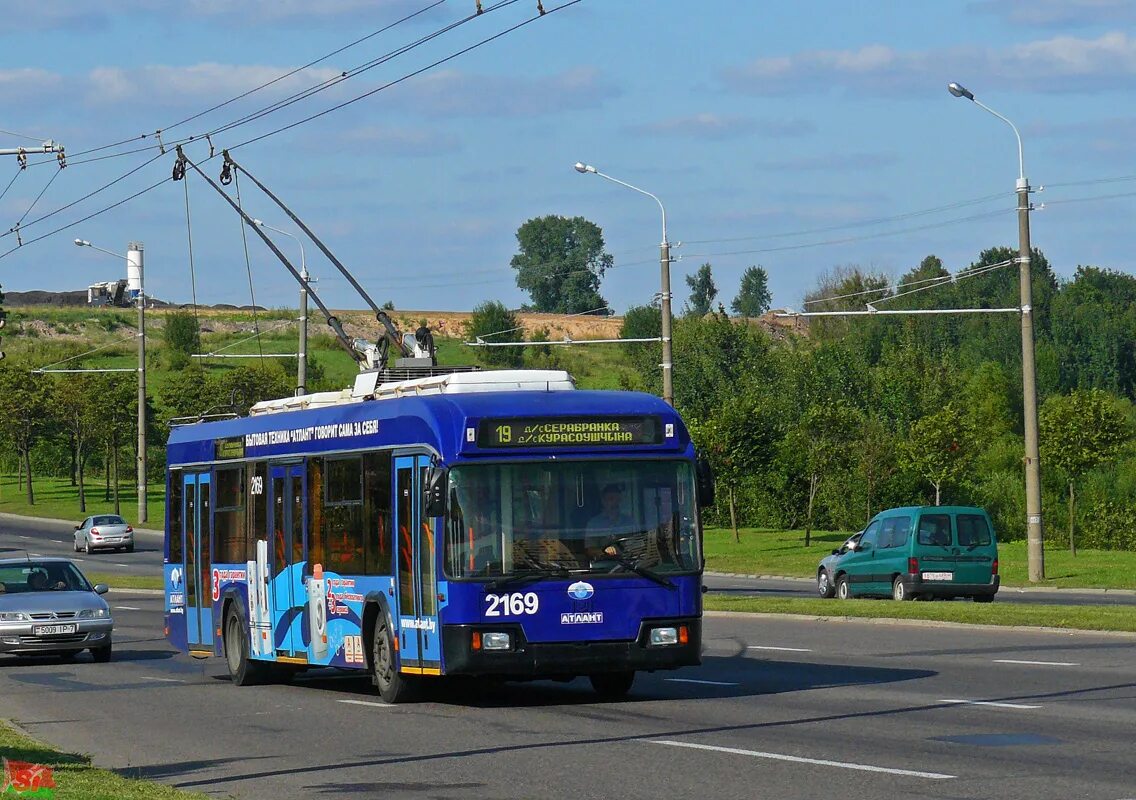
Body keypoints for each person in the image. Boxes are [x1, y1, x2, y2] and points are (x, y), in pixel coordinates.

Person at [585, 484, 637, 559]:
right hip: (601, 566)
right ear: (603, 501)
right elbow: (590, 550)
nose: (615, 503)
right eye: (611, 499)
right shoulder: (594, 523)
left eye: (617, 499)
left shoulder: (630, 522)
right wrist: (604, 551)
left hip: (628, 565)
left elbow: (637, 547)